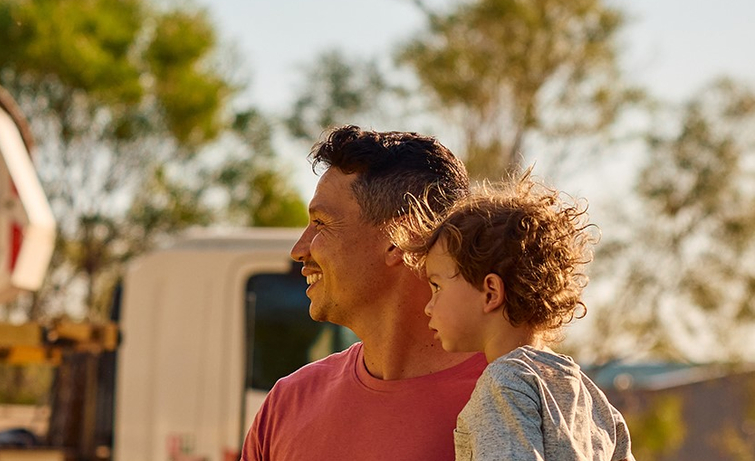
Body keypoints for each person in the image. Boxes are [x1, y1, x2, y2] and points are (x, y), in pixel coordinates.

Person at [242, 125, 488, 460]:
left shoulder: (524, 402)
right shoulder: (286, 404)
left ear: (401, 238)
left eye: (321, 224)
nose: (299, 250)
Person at [393, 173, 632, 460]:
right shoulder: (590, 395)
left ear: (491, 292)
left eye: (437, 286)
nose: (428, 307)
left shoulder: (505, 381)